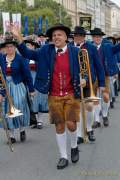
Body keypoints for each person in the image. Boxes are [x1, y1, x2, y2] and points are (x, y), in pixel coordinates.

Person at [10, 23, 87, 169]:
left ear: (66, 37)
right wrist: (18, 38)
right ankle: (63, 156)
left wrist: (84, 79)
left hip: (71, 93)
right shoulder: (46, 50)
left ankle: (74, 146)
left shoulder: (75, 52)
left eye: (59, 35)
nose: (56, 37)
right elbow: (27, 53)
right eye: (54, 35)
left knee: (71, 123)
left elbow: (85, 71)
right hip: (54, 94)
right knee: (59, 125)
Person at [70, 26, 105, 144]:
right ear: (73, 36)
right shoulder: (69, 47)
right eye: (76, 35)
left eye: (81, 35)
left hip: (89, 80)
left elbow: (99, 66)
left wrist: (101, 83)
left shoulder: (91, 48)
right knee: (78, 108)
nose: (78, 37)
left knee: (89, 106)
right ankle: (80, 134)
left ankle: (89, 129)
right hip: (74, 81)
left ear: (84, 37)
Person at [0, 34, 35, 143]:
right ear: (5, 48)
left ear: (15, 47)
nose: (9, 48)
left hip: (18, 86)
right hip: (5, 87)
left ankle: (21, 129)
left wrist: (31, 89)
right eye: (7, 47)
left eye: (11, 46)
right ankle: (11, 135)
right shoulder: (2, 59)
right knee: (7, 109)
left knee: (19, 106)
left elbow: (27, 75)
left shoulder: (21, 59)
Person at [90, 28, 120, 128]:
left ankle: (105, 115)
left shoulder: (107, 46)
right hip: (93, 76)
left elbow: (116, 49)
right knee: (95, 99)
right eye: (95, 37)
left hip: (105, 75)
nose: (97, 38)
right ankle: (97, 120)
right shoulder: (89, 47)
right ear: (92, 38)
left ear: (101, 38)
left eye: (99, 37)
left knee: (106, 97)